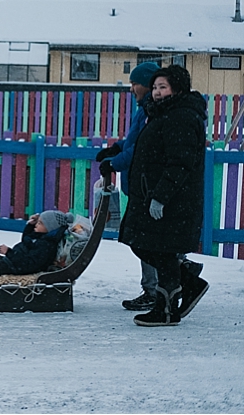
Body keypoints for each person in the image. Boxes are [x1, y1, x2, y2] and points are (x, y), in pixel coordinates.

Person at [119, 64, 209, 326]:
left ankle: (166, 310)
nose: (157, 93)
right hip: (151, 195)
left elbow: (179, 163)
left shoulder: (181, 116)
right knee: (144, 244)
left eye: (163, 87)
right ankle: (188, 281)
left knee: (160, 251)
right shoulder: (162, 113)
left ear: (177, 89)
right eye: (155, 87)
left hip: (172, 201)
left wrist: (161, 196)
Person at [96, 61, 161, 310]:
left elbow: (140, 150)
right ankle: (163, 283)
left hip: (145, 187)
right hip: (139, 186)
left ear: (145, 84)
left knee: (143, 240)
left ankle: (159, 287)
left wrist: (115, 163)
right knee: (144, 240)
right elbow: (133, 142)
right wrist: (116, 149)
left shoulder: (150, 111)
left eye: (135, 83)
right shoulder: (142, 110)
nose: (131, 88)